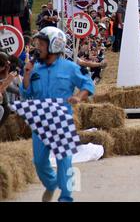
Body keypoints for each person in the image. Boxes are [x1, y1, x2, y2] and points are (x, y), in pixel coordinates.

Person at [20, 27, 94, 202]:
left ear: (55, 45)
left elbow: (88, 84)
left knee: (64, 160)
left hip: (61, 120)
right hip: (39, 121)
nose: (38, 47)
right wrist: (27, 73)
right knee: (39, 161)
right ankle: (51, 183)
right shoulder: (35, 68)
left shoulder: (71, 67)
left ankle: (66, 197)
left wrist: (78, 97)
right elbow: (26, 93)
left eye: (42, 44)